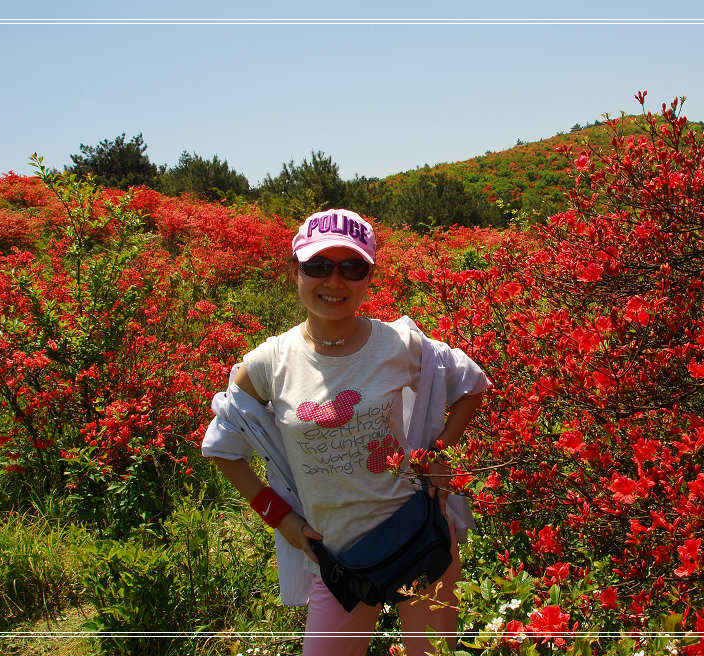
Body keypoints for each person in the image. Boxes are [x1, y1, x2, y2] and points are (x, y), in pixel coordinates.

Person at [201, 208, 489, 656]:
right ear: (294, 269)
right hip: (337, 558)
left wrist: (439, 454)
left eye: (352, 267)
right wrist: (282, 520)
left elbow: (471, 384)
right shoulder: (268, 362)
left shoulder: (399, 344)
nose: (334, 282)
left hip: (419, 534)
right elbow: (222, 448)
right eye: (318, 266)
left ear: (369, 275)